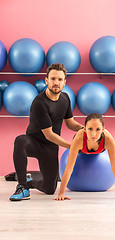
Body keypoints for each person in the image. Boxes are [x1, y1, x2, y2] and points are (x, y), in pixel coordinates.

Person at [9, 63, 83, 201]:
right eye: (53, 79)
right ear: (46, 80)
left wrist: (85, 129)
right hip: (34, 142)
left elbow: (70, 122)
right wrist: (72, 147)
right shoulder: (39, 102)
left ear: (64, 82)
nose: (56, 83)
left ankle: (30, 182)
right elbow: (48, 134)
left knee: (49, 189)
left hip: (50, 147)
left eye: (60, 79)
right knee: (20, 141)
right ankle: (22, 186)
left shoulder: (65, 98)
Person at [53, 113, 115, 201]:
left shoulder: (108, 140)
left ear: (103, 129)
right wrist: (61, 194)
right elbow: (69, 168)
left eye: (98, 129)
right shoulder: (79, 139)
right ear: (85, 129)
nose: (93, 134)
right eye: (90, 129)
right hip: (82, 150)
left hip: (100, 150)